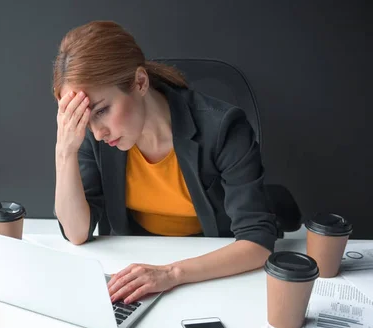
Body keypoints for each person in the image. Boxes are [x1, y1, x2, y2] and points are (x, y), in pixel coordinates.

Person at [52, 21, 277, 305]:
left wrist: (171, 274)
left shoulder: (223, 128)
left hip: (208, 273)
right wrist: (65, 151)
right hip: (134, 269)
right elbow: (76, 233)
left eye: (102, 110)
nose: (98, 132)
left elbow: (258, 243)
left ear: (140, 82)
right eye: (85, 118)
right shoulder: (96, 137)